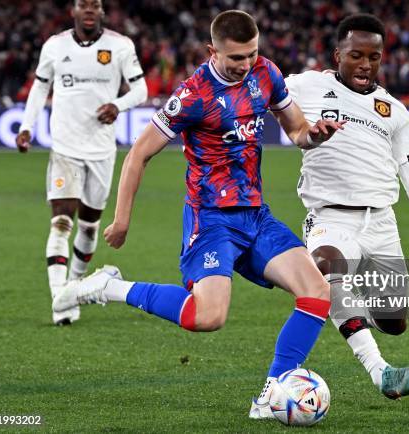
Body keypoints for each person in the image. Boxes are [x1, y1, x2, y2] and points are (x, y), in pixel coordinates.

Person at [52, 9, 344, 414]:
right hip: (211, 220)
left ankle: (272, 393)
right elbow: (138, 154)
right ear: (212, 51)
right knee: (206, 317)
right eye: (236, 58)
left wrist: (314, 134)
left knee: (317, 292)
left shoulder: (266, 74)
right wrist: (121, 221)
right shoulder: (193, 96)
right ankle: (110, 288)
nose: (246, 65)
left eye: (252, 55)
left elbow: (297, 130)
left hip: (256, 215)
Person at [252, 13, 409, 415]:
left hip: (382, 224)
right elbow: (256, 94)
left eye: (374, 57)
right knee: (326, 268)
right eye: (356, 55)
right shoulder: (306, 86)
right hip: (330, 218)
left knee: (394, 321)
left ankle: (354, 314)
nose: (366, 65)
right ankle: (380, 370)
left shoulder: (394, 111)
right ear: (338, 54)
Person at [15, 0, 147, 326]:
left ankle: (73, 286)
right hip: (65, 147)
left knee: (89, 226)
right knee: (61, 221)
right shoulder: (55, 46)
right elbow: (39, 88)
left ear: (102, 11)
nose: (89, 9)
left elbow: (141, 90)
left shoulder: (119, 46)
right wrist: (26, 125)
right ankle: (61, 299)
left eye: (95, 5)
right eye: (83, 4)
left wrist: (118, 105)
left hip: (101, 150)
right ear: (73, 10)